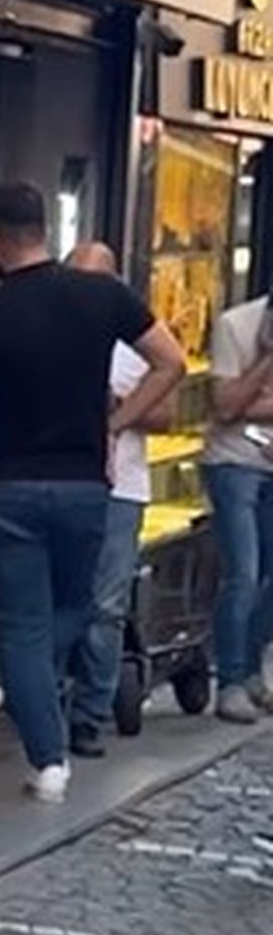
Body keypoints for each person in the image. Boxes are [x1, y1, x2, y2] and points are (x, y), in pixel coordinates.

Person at [0, 184, 184, 801]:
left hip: (7, 488)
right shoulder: (101, 296)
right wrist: (115, 423)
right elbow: (171, 361)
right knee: (79, 607)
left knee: (23, 624)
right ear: (46, 231)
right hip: (84, 485)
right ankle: (15, 697)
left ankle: (47, 759)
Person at [67, 240, 164, 752]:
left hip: (121, 487)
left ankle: (90, 712)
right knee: (60, 599)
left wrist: (119, 410)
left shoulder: (135, 347)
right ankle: (48, 701)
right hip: (63, 481)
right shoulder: (51, 333)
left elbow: (167, 413)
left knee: (106, 605)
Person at [205, 287, 273, 722]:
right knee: (243, 573)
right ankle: (230, 679)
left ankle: (250, 668)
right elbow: (227, 406)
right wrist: (265, 359)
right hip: (235, 462)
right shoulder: (236, 326)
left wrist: (256, 403)